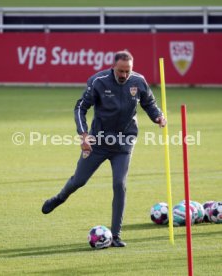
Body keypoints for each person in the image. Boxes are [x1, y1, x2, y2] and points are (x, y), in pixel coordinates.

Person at [42, 50, 166, 247]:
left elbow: (149, 104)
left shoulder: (139, 81)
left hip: (124, 142)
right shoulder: (98, 81)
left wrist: (158, 116)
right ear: (113, 67)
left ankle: (115, 236)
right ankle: (59, 198)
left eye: (128, 71)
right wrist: (84, 136)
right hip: (98, 141)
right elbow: (81, 107)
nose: (124, 75)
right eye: (120, 71)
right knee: (79, 181)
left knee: (119, 184)